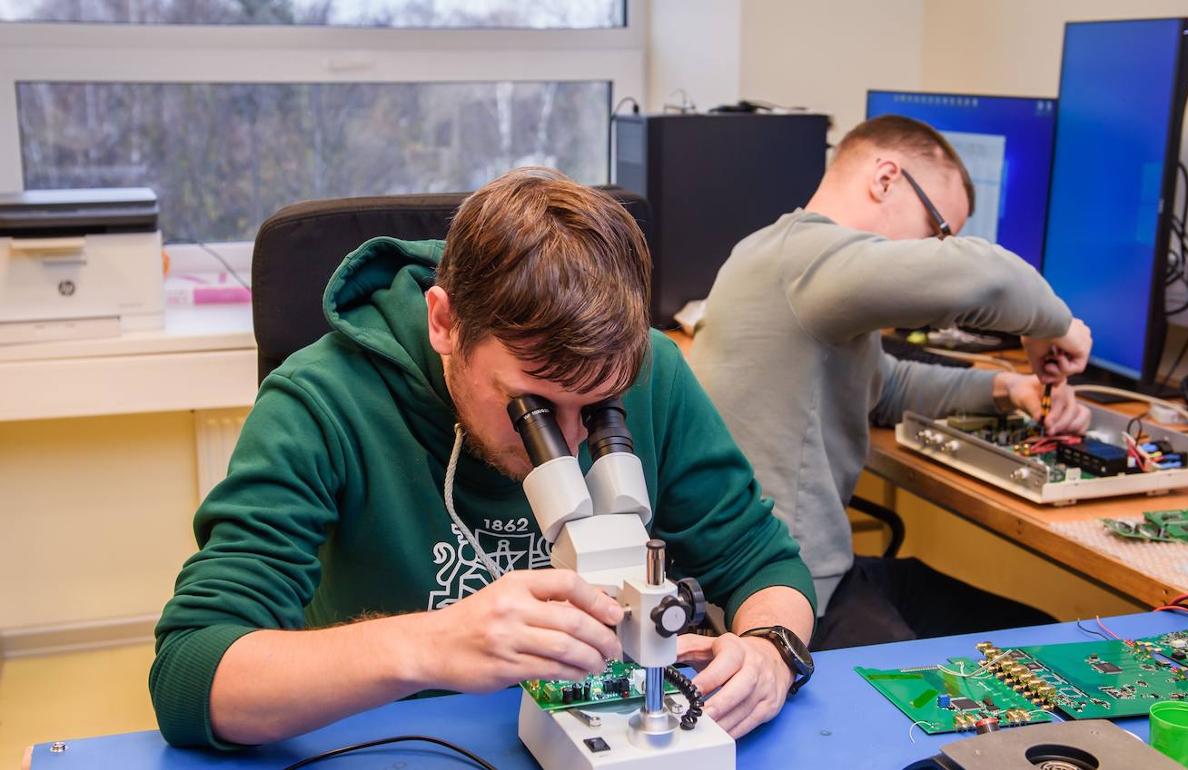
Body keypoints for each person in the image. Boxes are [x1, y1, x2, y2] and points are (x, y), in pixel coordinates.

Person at [149, 167, 816, 750]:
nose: (574, 441)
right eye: (531, 407)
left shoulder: (654, 373)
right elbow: (192, 675)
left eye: (598, 408)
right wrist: (435, 644)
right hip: (393, 739)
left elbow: (763, 565)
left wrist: (770, 649)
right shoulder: (320, 403)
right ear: (445, 323)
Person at [689, 115, 1094, 651]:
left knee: (1039, 634)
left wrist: (1007, 390)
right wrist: (1053, 325)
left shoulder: (771, 252)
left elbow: (886, 387)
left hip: (767, 572)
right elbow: (988, 279)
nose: (935, 251)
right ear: (885, 178)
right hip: (783, 592)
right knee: (954, 691)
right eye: (939, 233)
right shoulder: (811, 260)